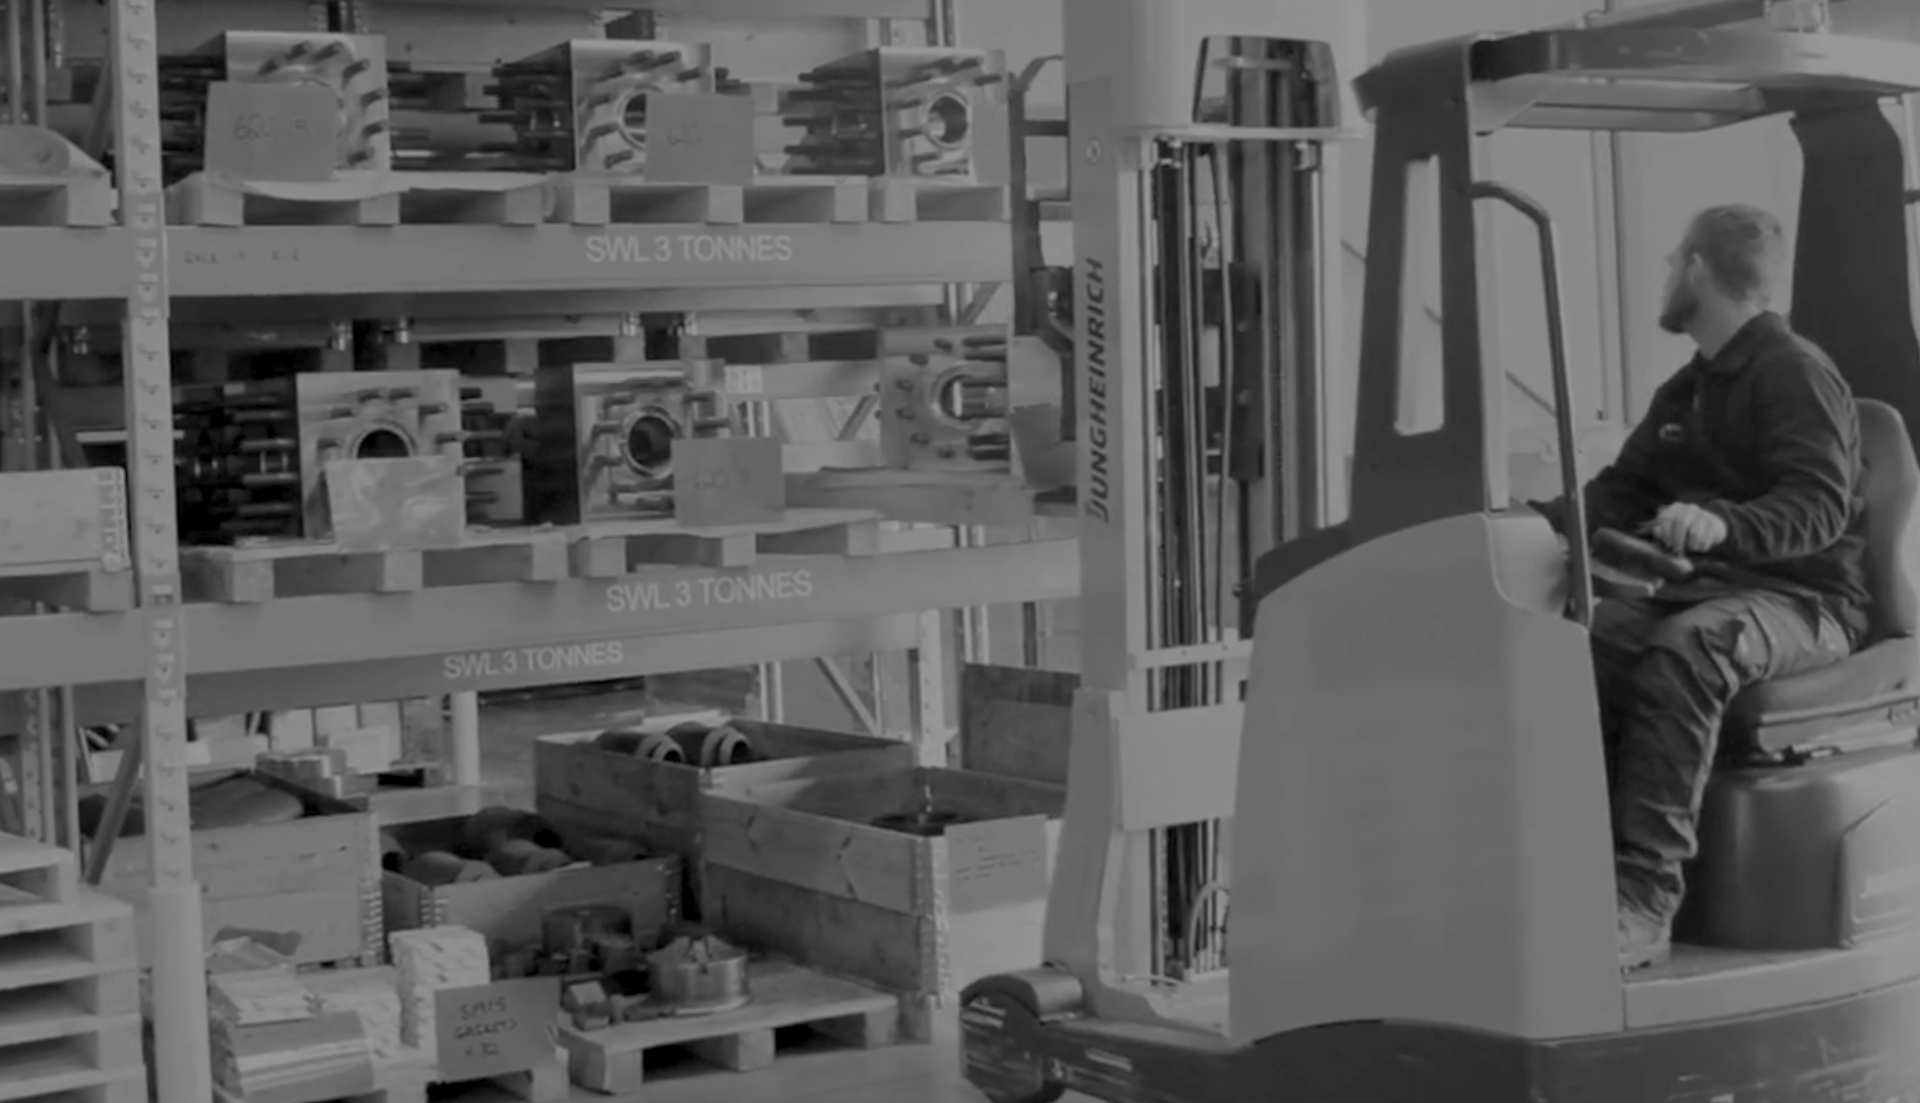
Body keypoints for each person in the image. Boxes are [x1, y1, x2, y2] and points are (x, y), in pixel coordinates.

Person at [1537, 204, 1870, 970]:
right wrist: (1523, 525)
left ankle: (1644, 902)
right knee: (1577, 645)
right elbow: (1621, 491)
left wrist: (1725, 524)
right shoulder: (1688, 391)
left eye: (1669, 262)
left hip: (1807, 604)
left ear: (1695, 268)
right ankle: (1569, 881)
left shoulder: (1794, 371)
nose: (1665, 275)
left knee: (1691, 648)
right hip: (1711, 592)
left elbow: (1819, 503)